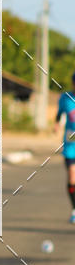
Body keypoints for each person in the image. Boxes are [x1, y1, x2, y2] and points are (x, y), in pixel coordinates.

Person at [54, 72, 75, 224]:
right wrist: (56, 124)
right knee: (72, 175)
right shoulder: (65, 98)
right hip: (70, 145)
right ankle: (74, 209)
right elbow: (59, 113)